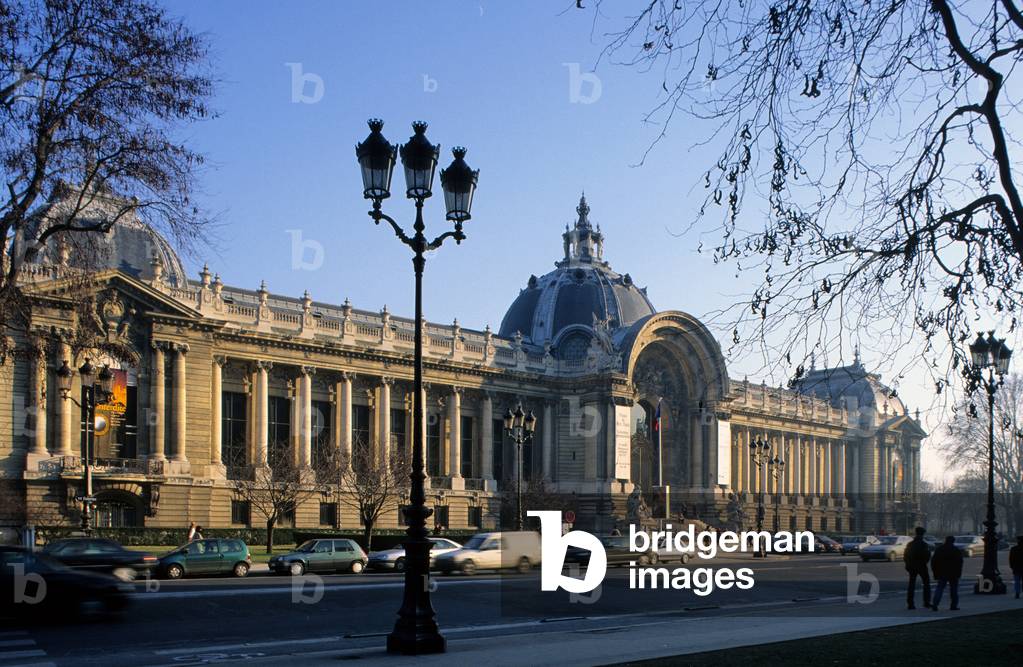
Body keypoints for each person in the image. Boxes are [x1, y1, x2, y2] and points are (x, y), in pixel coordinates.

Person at [930, 535, 963, 611]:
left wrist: (935, 572)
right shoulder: (955, 550)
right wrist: (959, 573)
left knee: (939, 588)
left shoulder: (939, 549)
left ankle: (935, 604)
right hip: (953, 572)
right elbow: (960, 563)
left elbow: (934, 562)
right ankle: (953, 605)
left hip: (942, 572)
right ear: (953, 541)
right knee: (954, 589)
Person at [903, 526, 932, 610]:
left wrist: (908, 564)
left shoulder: (910, 544)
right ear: (923, 534)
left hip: (912, 566)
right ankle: (926, 602)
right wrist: (924, 562)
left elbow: (906, 556)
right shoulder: (924, 544)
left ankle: (910, 603)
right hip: (921, 566)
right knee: (926, 584)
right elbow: (927, 556)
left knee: (911, 585)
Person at [1010, 535, 1023, 600]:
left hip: (1016, 567)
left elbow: (1011, 559)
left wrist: (1012, 566)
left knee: (1017, 581)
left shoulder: (1013, 549)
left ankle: (1017, 593)